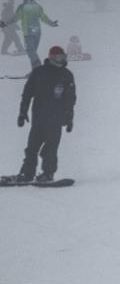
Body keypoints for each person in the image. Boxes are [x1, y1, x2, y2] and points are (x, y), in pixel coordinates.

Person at [14, 46, 76, 183]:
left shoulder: (66, 75)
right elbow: (27, 94)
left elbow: (70, 99)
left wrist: (69, 118)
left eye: (63, 57)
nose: (61, 60)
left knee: (51, 150)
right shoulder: (39, 72)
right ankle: (27, 173)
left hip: (56, 120)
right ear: (51, 57)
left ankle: (48, 173)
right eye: (58, 57)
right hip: (39, 119)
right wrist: (22, 113)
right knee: (31, 148)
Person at [0, 0, 58, 68]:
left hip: (36, 32)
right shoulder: (22, 7)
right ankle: (36, 70)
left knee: (32, 52)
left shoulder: (37, 7)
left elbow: (43, 17)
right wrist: (6, 23)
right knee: (31, 52)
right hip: (28, 32)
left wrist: (52, 23)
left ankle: (36, 70)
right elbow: (15, 18)